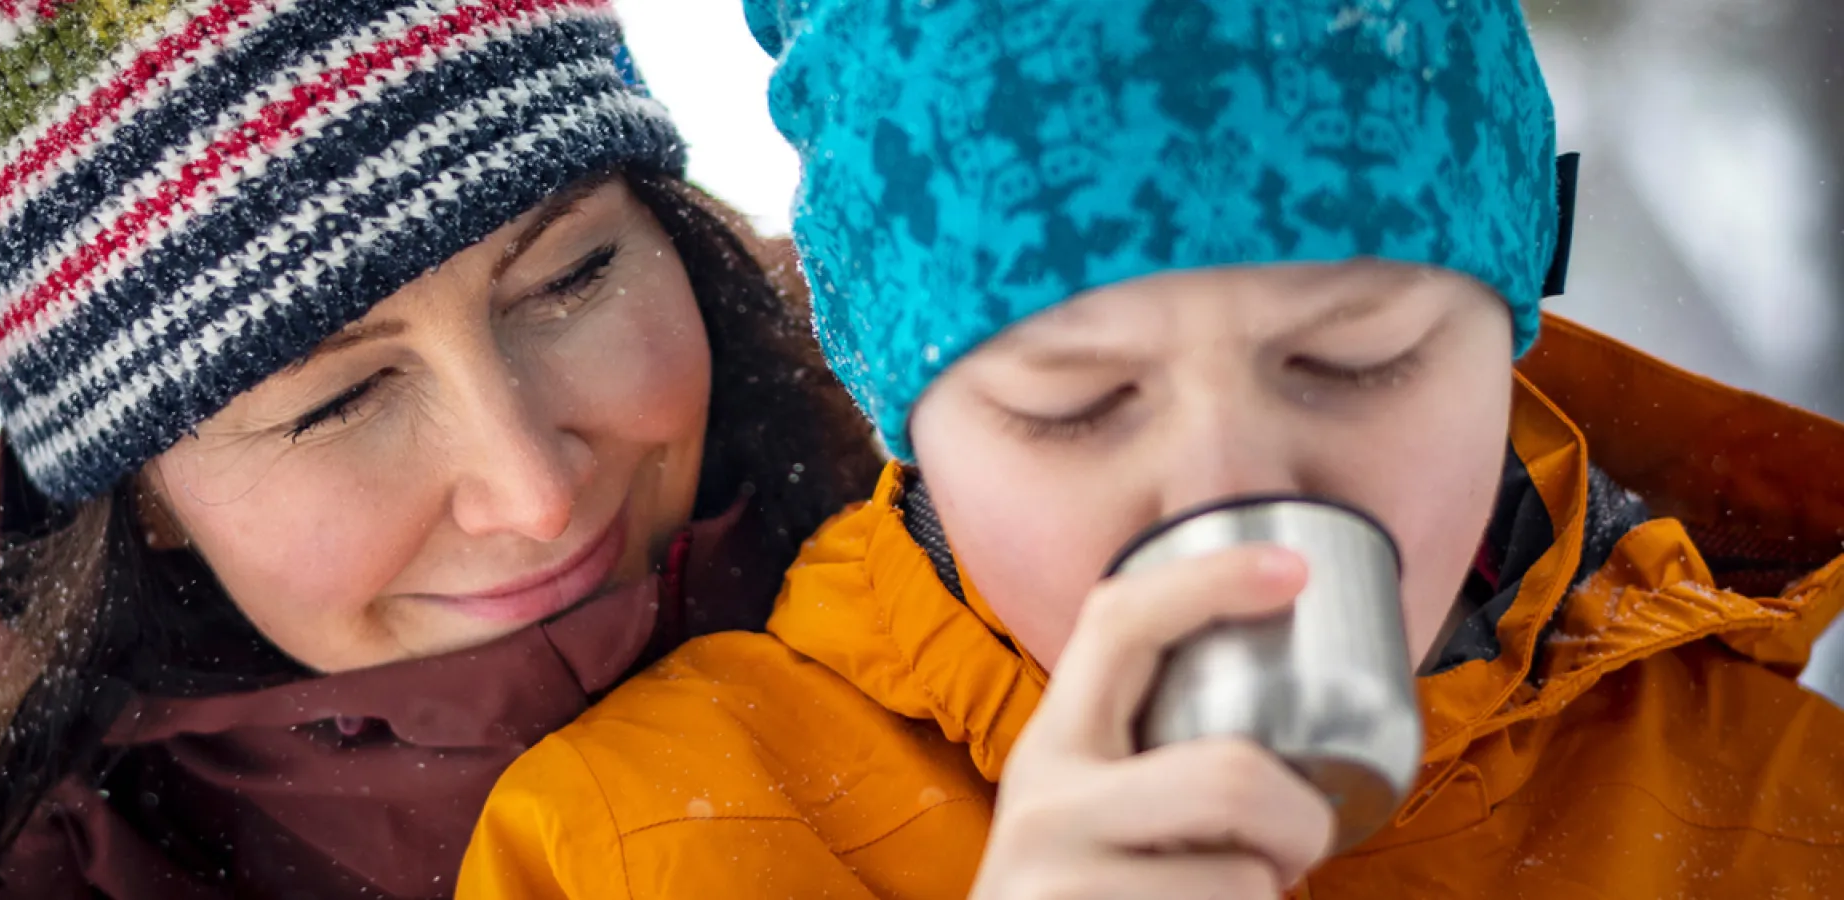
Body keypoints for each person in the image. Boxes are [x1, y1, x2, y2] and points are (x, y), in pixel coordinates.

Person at [458, 0, 1844, 897]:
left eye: (1351, 358)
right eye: (1075, 402)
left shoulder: (1786, 809)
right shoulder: (641, 843)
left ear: (1510, 332)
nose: (1234, 484)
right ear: (902, 418)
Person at [0, 0, 882, 897]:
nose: (536, 492)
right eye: (341, 401)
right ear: (146, 498)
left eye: (571, 277)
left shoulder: (984, 472)